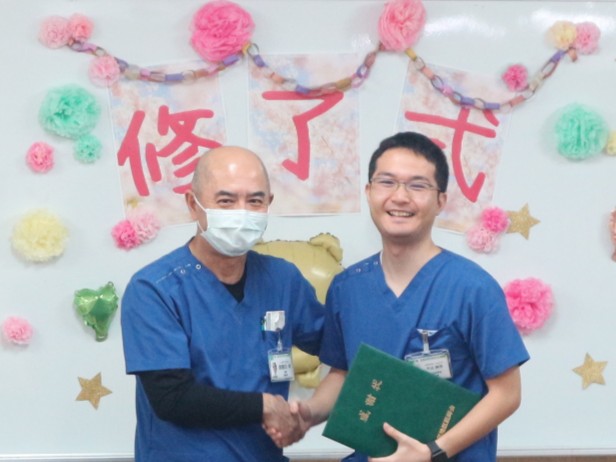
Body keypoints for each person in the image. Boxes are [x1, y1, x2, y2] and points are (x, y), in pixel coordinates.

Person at [272, 132, 530, 461]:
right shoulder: (347, 288)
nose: (400, 197)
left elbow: (506, 394)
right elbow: (344, 374)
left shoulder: (473, 288)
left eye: (418, 186)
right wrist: (309, 412)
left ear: (441, 201)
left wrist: (433, 452)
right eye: (387, 182)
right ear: (369, 192)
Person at [120, 146, 324, 462]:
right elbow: (171, 398)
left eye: (254, 201)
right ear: (193, 204)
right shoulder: (154, 289)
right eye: (226, 201)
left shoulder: (282, 279)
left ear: (268, 204)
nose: (241, 213)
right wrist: (264, 406)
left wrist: (310, 412)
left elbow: (338, 346)